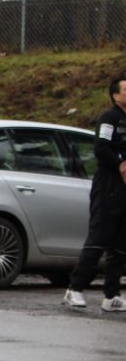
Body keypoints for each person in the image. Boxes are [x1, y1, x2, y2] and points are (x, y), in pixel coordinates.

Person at [63, 73, 126, 311]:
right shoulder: (109, 118)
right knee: (99, 237)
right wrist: (120, 162)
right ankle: (74, 289)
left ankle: (112, 295)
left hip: (124, 187)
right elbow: (101, 149)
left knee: (121, 243)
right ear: (116, 95)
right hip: (108, 184)